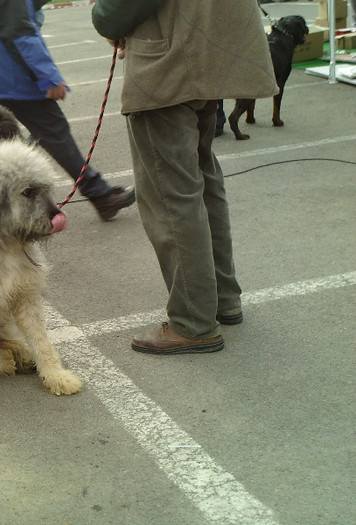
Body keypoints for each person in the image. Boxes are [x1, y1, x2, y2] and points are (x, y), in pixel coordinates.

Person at [92, 0, 278, 354]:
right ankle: (222, 300)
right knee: (203, 180)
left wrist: (108, 19)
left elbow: (116, 9)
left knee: (172, 194)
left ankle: (194, 321)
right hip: (209, 48)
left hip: (170, 59)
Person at [0, 0, 136, 222]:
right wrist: (47, 76)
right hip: (6, 69)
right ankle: (99, 194)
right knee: (53, 131)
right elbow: (17, 27)